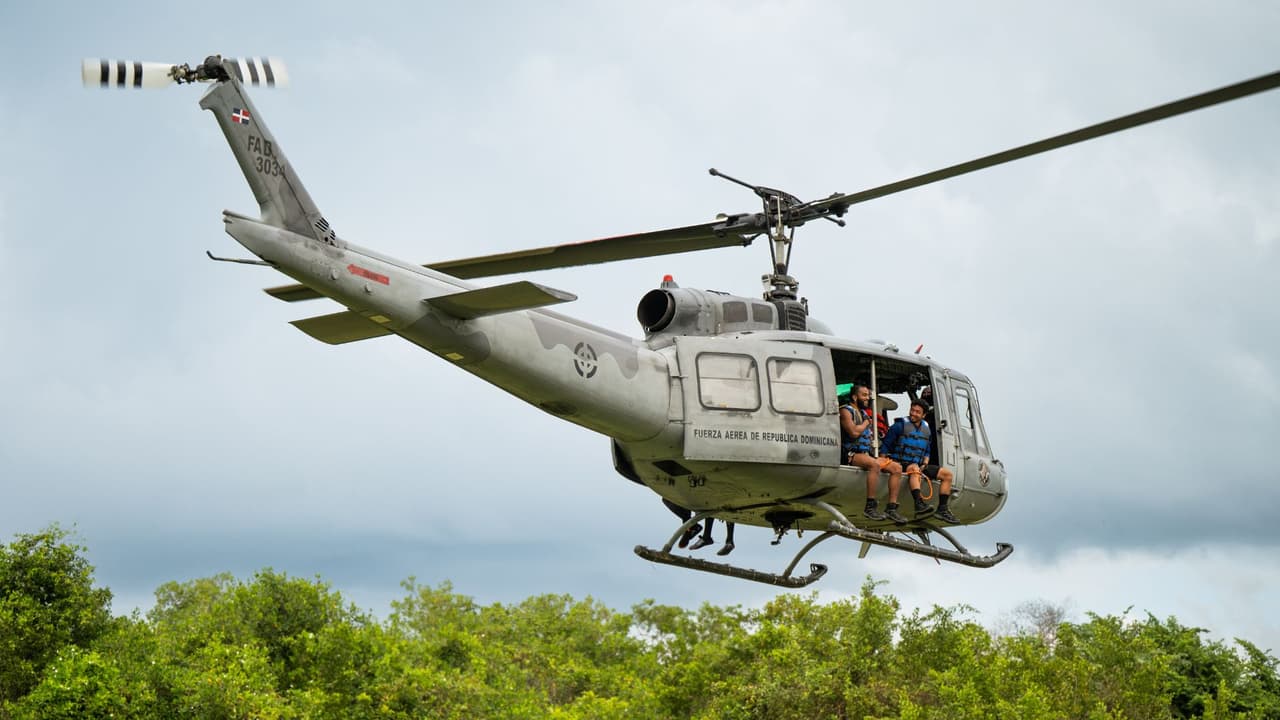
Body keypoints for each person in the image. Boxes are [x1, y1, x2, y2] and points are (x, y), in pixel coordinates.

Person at [882, 398, 958, 523]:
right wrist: (883, 461)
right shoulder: (899, 426)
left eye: (917, 412)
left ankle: (942, 509)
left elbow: (927, 447)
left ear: (924, 415)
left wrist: (926, 461)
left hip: (919, 464)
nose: (913, 413)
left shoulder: (926, 429)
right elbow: (886, 445)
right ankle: (918, 503)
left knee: (947, 475)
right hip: (901, 463)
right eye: (912, 410)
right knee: (914, 468)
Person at [841, 384, 904, 523]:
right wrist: (865, 423)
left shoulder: (864, 413)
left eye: (868, 396)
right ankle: (870, 506)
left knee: (896, 468)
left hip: (866, 453)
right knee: (874, 465)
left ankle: (892, 508)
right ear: (854, 397)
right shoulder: (846, 411)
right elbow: (853, 432)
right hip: (851, 454)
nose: (867, 398)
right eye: (864, 395)